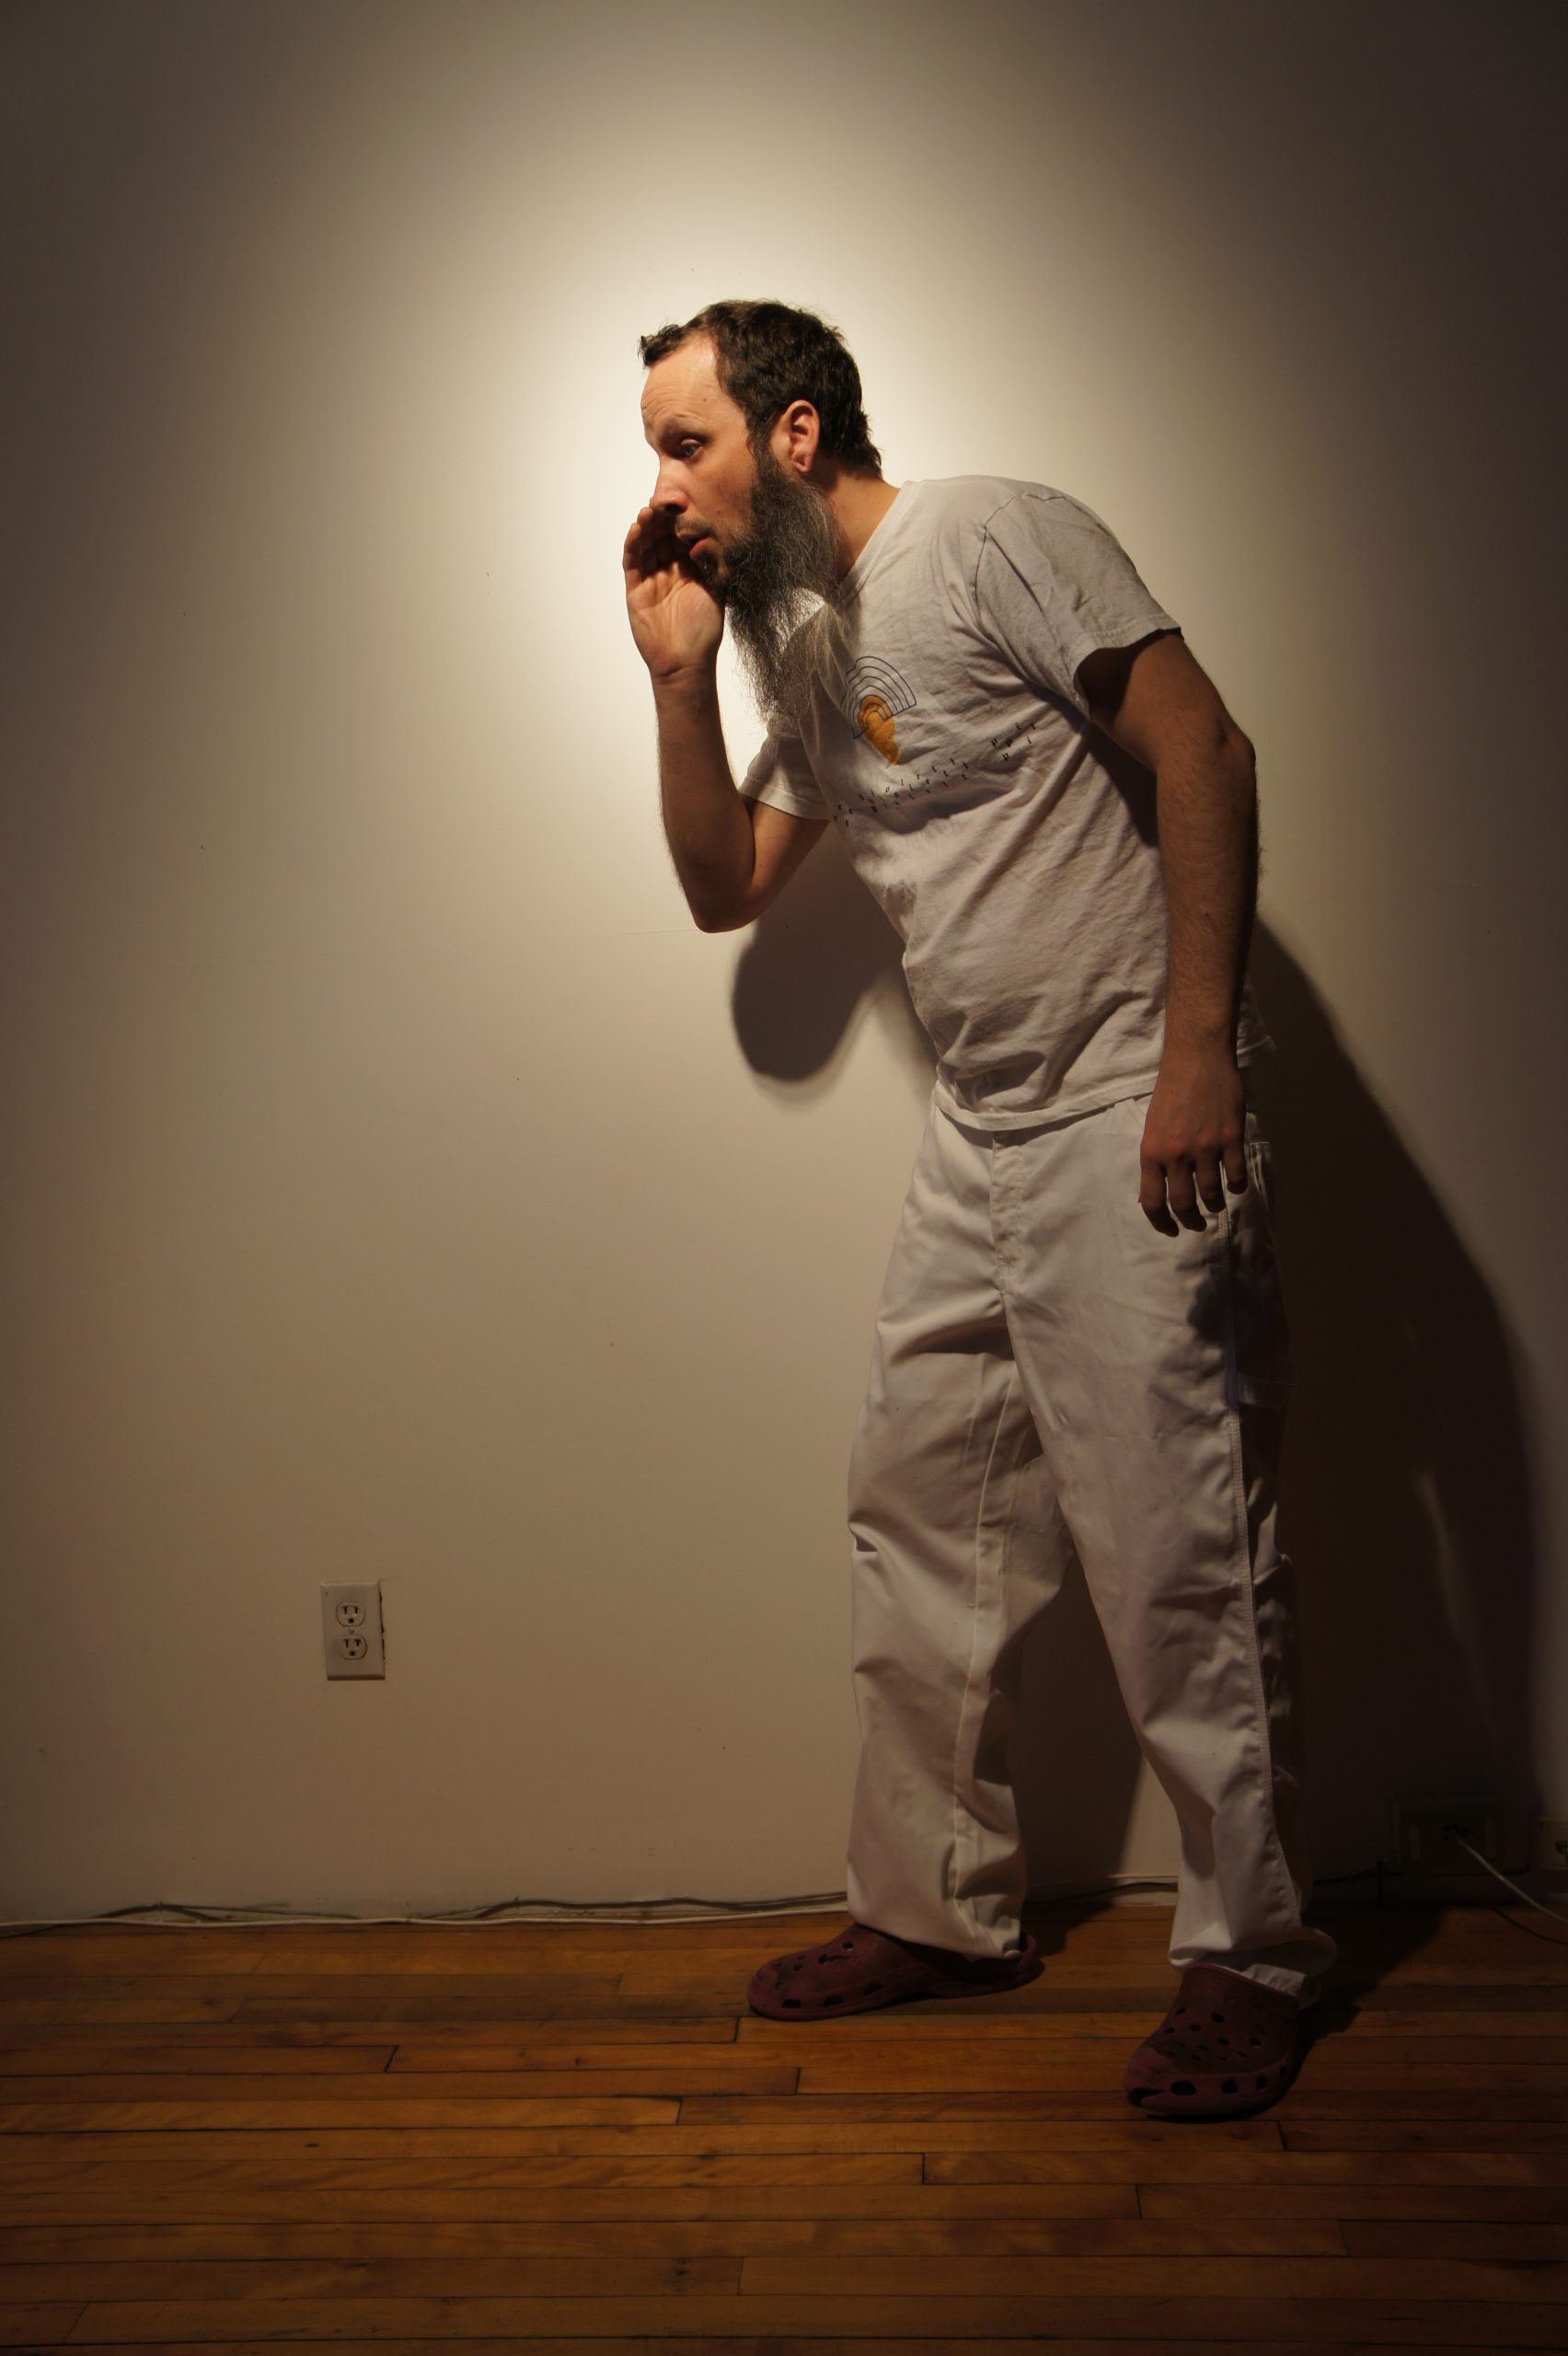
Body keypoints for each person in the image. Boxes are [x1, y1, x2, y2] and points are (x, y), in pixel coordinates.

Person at [622, 298, 1337, 2120]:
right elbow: (724, 885)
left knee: (1180, 1545)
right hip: (985, 1130)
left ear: (793, 434)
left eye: (686, 443)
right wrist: (678, 678)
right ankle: (936, 1910)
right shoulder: (803, 644)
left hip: (1131, 1100)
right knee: (921, 1507)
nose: (664, 488)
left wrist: (1199, 1051)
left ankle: (1251, 1952)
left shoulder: (993, 533)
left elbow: (1207, 750)